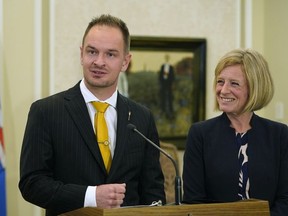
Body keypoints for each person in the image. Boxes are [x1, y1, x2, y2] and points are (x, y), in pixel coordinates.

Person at [19, 14, 166, 216]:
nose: (99, 62)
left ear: (125, 62)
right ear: (81, 54)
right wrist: (91, 196)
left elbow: (153, 191)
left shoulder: (142, 117)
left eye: (110, 54)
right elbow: (32, 184)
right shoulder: (46, 111)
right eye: (92, 51)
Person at [182, 48, 288, 216]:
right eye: (220, 81)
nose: (223, 90)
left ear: (254, 88)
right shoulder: (199, 134)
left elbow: (285, 201)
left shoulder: (280, 135)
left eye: (234, 83)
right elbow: (193, 203)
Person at [159, 54, 175, 119]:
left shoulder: (171, 67)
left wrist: (172, 84)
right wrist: (160, 82)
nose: (167, 59)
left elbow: (173, 76)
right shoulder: (162, 66)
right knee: (163, 97)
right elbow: (160, 75)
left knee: (170, 97)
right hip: (163, 83)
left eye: (168, 58)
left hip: (169, 84)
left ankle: (170, 110)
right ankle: (163, 110)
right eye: (166, 58)